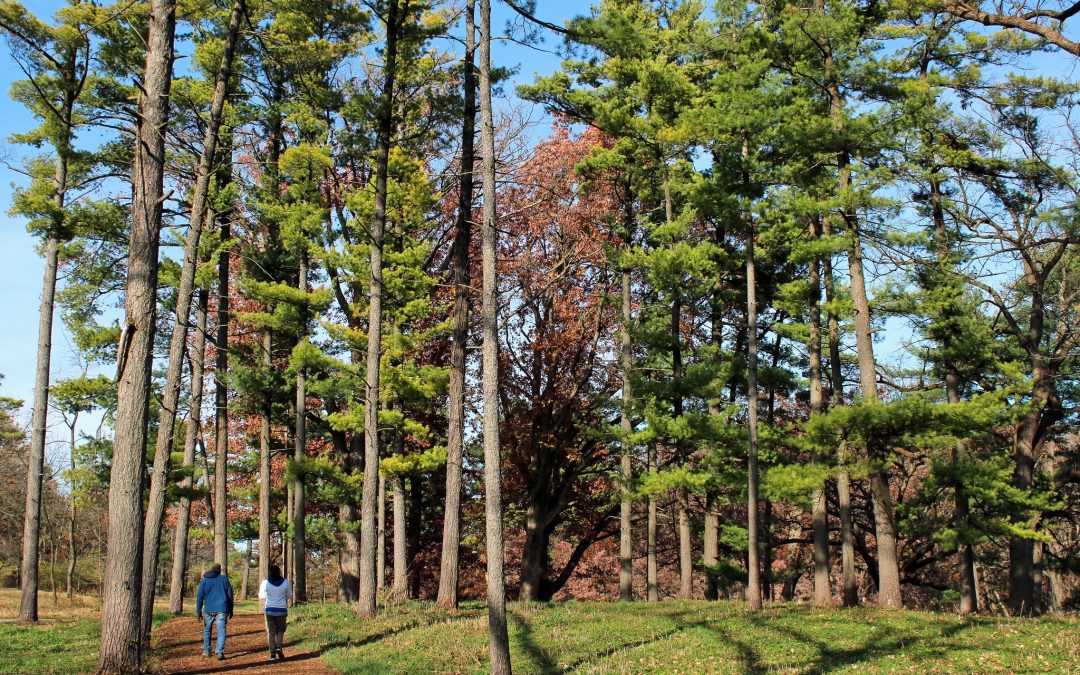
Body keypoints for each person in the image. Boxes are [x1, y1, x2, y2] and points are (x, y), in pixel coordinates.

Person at [195, 563, 234, 660]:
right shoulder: (224, 579)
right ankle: (219, 652)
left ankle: (206, 651)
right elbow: (230, 595)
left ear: (211, 569)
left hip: (208, 609)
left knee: (207, 630)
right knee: (221, 630)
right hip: (222, 609)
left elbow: (199, 597)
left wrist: (198, 611)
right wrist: (231, 609)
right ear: (219, 570)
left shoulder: (205, 580)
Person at [259, 564, 293, 662]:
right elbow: (289, 595)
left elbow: (261, 596)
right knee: (280, 630)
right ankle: (279, 647)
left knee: (271, 632)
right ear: (279, 572)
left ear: (270, 572)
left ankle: (272, 654)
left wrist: (269, 594)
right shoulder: (285, 582)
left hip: (269, 610)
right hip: (281, 610)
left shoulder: (265, 583)